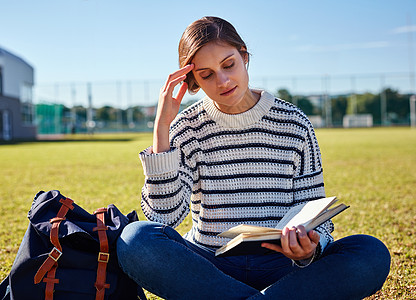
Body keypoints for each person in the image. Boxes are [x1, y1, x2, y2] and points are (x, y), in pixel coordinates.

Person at [117, 16, 390, 300]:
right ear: (193, 81)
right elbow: (165, 216)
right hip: (209, 268)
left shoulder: (294, 122)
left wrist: (310, 245)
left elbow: (313, 209)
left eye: (228, 64)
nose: (222, 81)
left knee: (370, 253)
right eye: (207, 74)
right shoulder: (185, 127)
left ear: (244, 56)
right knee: (135, 239)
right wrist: (162, 130)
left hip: (284, 268)